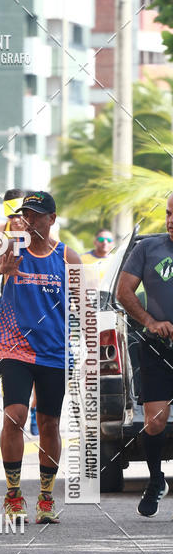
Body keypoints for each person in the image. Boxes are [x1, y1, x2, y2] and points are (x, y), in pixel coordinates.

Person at [0, 191, 81, 524]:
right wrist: (0, 269)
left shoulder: (68, 257)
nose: (31, 220)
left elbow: (85, 306)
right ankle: (13, 495)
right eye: (26, 214)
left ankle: (47, 499)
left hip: (54, 351)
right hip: (15, 347)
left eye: (37, 214)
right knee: (15, 416)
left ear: (52, 219)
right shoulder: (12, 248)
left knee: (50, 422)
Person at [116, 197, 173, 516]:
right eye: (168, 213)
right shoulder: (148, 249)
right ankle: (155, 480)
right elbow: (124, 292)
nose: (170, 220)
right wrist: (150, 321)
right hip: (157, 347)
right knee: (154, 420)